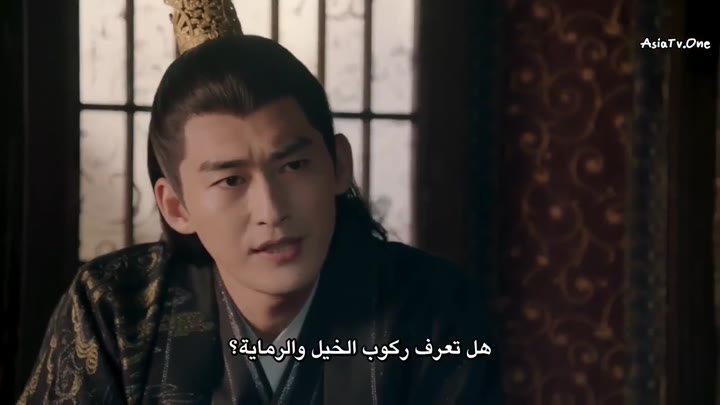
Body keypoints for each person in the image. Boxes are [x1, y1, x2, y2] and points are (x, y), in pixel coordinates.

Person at [17, 0, 503, 403]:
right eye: (231, 180)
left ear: (339, 165)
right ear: (177, 206)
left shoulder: (434, 311)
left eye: (293, 166)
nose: (271, 211)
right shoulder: (115, 308)